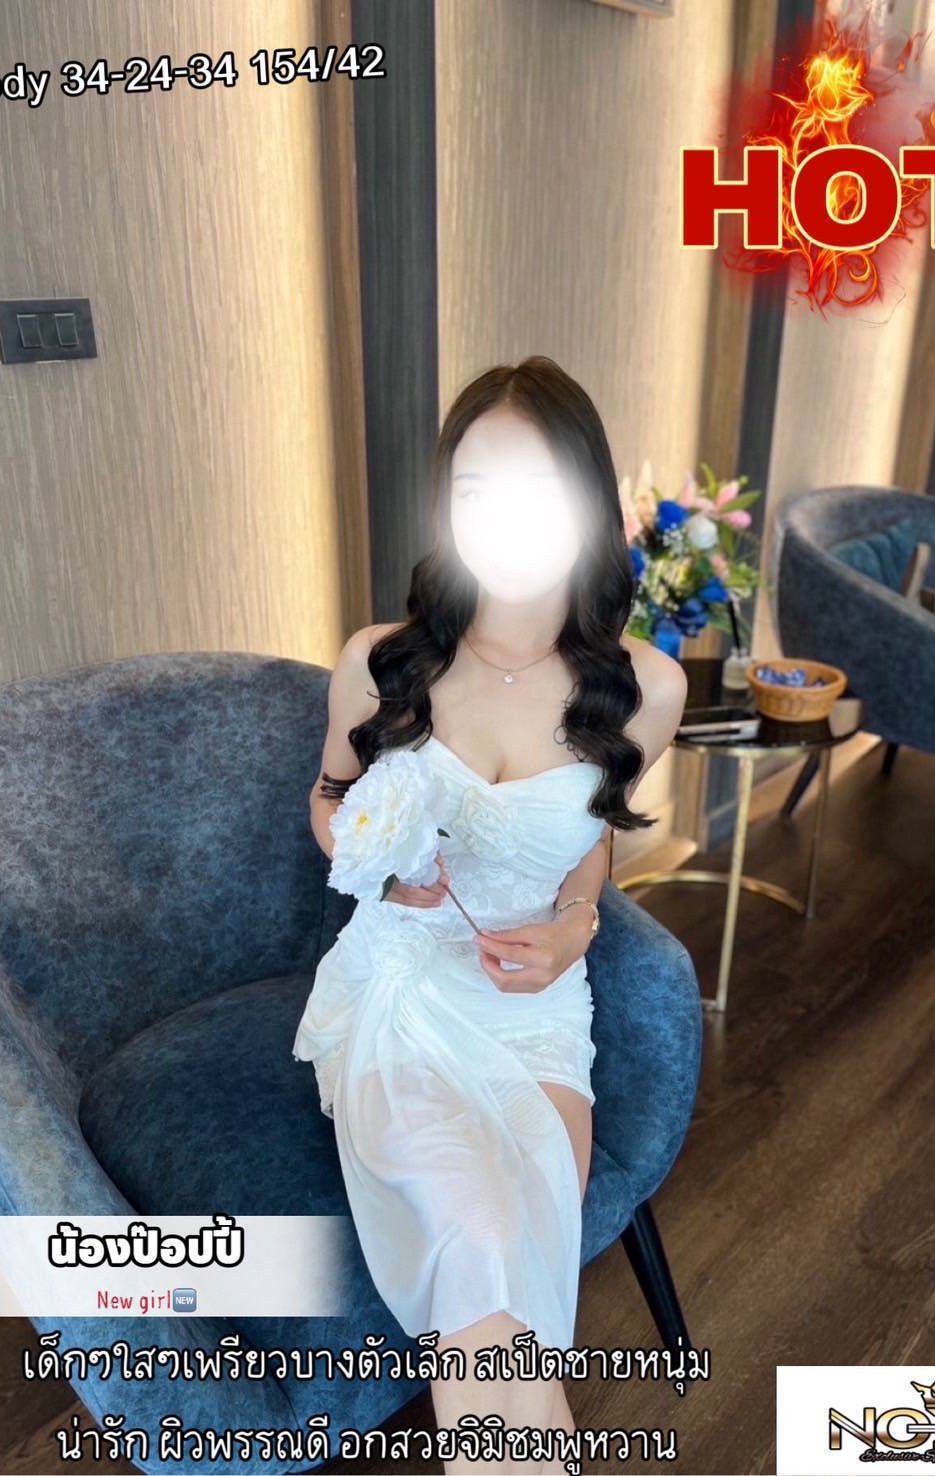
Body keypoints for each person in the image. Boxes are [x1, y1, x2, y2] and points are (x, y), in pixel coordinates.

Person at [294, 355, 687, 1473]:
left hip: (537, 1010)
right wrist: (377, 865)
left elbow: (587, 833)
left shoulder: (646, 690)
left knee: (519, 1239)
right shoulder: (382, 663)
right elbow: (328, 798)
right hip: (403, 988)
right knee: (480, 1229)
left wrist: (576, 928)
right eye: (475, 492)